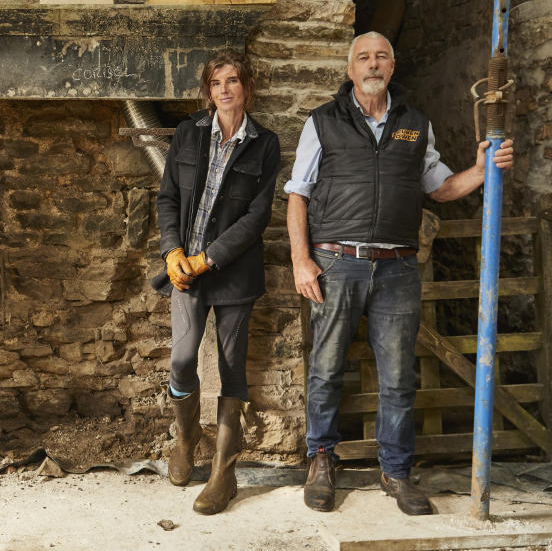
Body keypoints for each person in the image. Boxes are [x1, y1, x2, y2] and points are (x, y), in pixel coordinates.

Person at [285, 31, 515, 516]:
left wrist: (480, 169)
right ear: (350, 70)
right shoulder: (323, 122)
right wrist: (301, 260)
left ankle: (396, 471)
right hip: (335, 262)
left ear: (392, 67)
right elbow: (298, 194)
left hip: (397, 267)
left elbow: (441, 187)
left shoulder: (415, 123)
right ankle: (322, 461)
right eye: (364, 58)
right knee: (326, 369)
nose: (373, 65)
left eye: (381, 57)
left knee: (398, 376)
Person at [154, 49, 281, 515]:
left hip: (234, 274)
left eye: (232, 81)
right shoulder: (188, 133)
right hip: (183, 271)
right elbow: (167, 196)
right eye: (216, 83)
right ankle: (186, 438)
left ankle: (224, 474)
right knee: (183, 359)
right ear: (208, 90)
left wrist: (209, 258)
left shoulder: (265, 144)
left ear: (246, 86)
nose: (224, 90)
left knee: (231, 368)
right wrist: (173, 253)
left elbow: (257, 217)